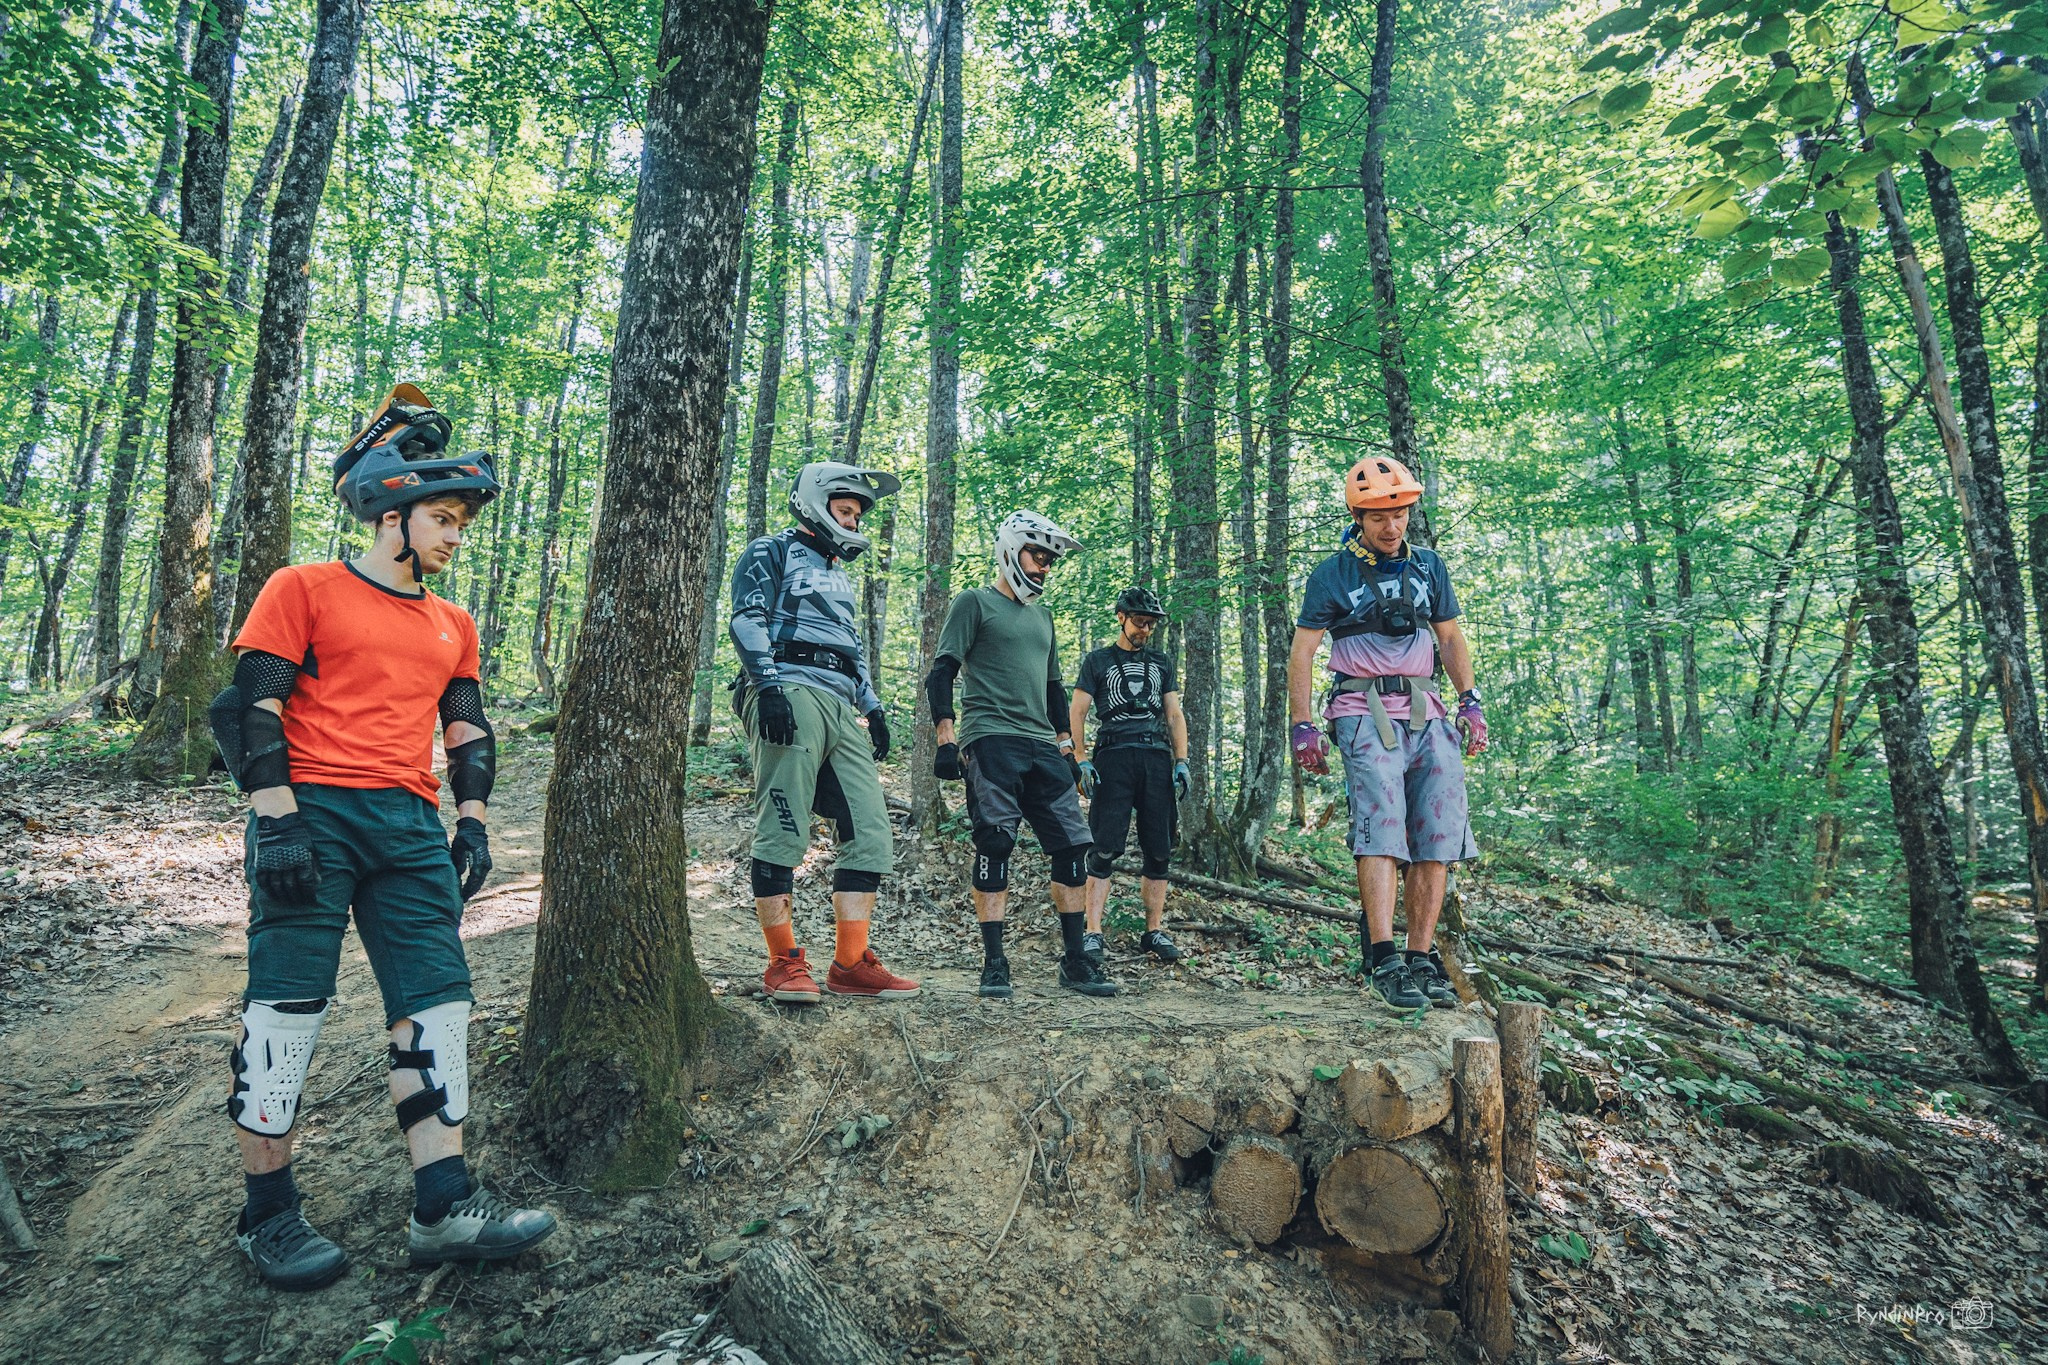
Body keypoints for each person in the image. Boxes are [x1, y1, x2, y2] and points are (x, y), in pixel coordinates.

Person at [211, 386, 556, 1291]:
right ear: (388, 511)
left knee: (437, 1007)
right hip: (311, 814)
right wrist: (276, 817)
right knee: (285, 1013)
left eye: (460, 523)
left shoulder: (454, 622)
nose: (454, 536)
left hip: (410, 823)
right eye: (442, 518)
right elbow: (250, 707)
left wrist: (473, 822)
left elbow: (469, 727)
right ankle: (266, 1215)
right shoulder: (305, 587)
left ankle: (443, 1204)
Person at [1285, 456, 1487, 1012]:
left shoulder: (1429, 567)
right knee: (1381, 826)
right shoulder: (1333, 573)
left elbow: (1449, 637)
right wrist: (1302, 724)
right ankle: (1382, 955)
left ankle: (1421, 958)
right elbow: (1303, 652)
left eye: (1398, 512)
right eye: (1377, 516)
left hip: (1428, 710)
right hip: (1362, 708)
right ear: (1357, 514)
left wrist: (1470, 701)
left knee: (1438, 832)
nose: (1390, 526)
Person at [729, 461, 918, 1005]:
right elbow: (747, 617)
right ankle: (782, 963)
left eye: (858, 514)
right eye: (846, 510)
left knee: (870, 830)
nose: (854, 520)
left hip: (840, 701)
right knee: (785, 823)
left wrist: (874, 706)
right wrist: (765, 686)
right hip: (787, 685)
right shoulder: (772, 549)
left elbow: (848, 644)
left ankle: (851, 964)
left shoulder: (839, 574)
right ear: (817, 502)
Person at [926, 511, 1115, 999]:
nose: (1044, 568)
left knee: (1074, 848)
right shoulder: (974, 602)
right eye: (1038, 556)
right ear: (1011, 550)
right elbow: (941, 671)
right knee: (995, 843)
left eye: (1050, 561)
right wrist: (946, 739)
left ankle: (1075, 961)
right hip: (990, 738)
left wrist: (1069, 749)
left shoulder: (1043, 616)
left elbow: (1055, 692)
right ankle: (994, 964)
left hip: (1041, 747)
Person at [1070, 586, 1189, 965]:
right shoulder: (1098, 661)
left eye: (1151, 624)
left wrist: (1181, 760)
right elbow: (1078, 711)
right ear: (1121, 617)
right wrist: (1080, 758)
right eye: (1140, 622)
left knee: (1158, 849)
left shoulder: (1161, 662)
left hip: (1155, 756)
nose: (1145, 630)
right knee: (1104, 846)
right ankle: (1092, 933)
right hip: (1113, 756)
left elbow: (1173, 713)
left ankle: (1153, 931)